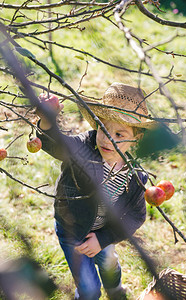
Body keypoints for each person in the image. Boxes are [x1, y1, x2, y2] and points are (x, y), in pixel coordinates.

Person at [36, 82, 155, 300]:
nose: (108, 139)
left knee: (110, 264)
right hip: (73, 229)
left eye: (119, 134)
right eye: (103, 129)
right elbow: (56, 145)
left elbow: (136, 216)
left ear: (135, 139)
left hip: (103, 231)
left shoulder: (135, 176)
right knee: (89, 289)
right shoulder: (85, 147)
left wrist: (103, 239)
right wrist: (46, 120)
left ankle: (115, 289)